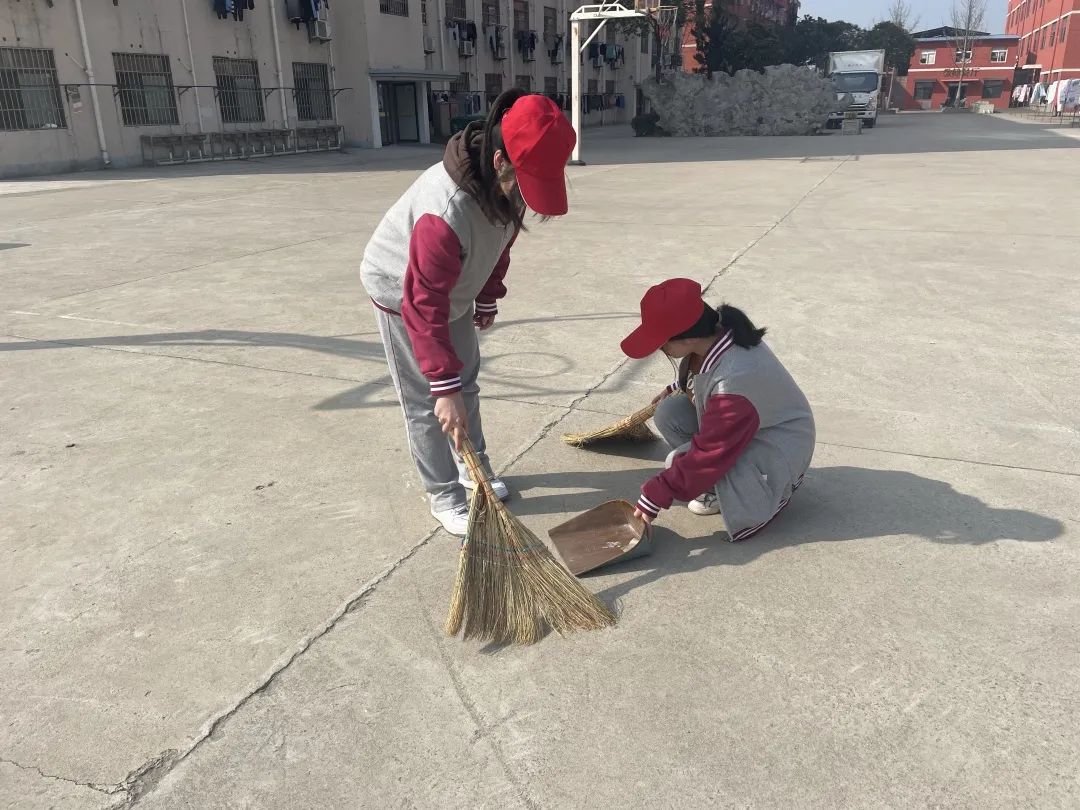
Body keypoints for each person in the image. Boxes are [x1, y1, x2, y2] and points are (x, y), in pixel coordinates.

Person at [361, 90, 576, 536]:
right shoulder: (445, 212)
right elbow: (423, 304)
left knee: (466, 385)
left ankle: (473, 471)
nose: (525, 197)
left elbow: (502, 239)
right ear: (499, 159)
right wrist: (442, 385)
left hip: (450, 288)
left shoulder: (508, 187)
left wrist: (487, 293)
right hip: (403, 292)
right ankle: (443, 494)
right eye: (525, 180)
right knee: (430, 401)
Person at [621, 278, 815, 541]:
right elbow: (701, 378)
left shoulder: (735, 382)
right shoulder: (715, 332)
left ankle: (767, 495)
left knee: (676, 462)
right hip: (750, 426)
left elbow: (711, 451)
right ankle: (719, 484)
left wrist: (656, 494)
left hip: (780, 446)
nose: (660, 349)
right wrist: (675, 387)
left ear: (687, 337)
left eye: (662, 344)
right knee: (670, 411)